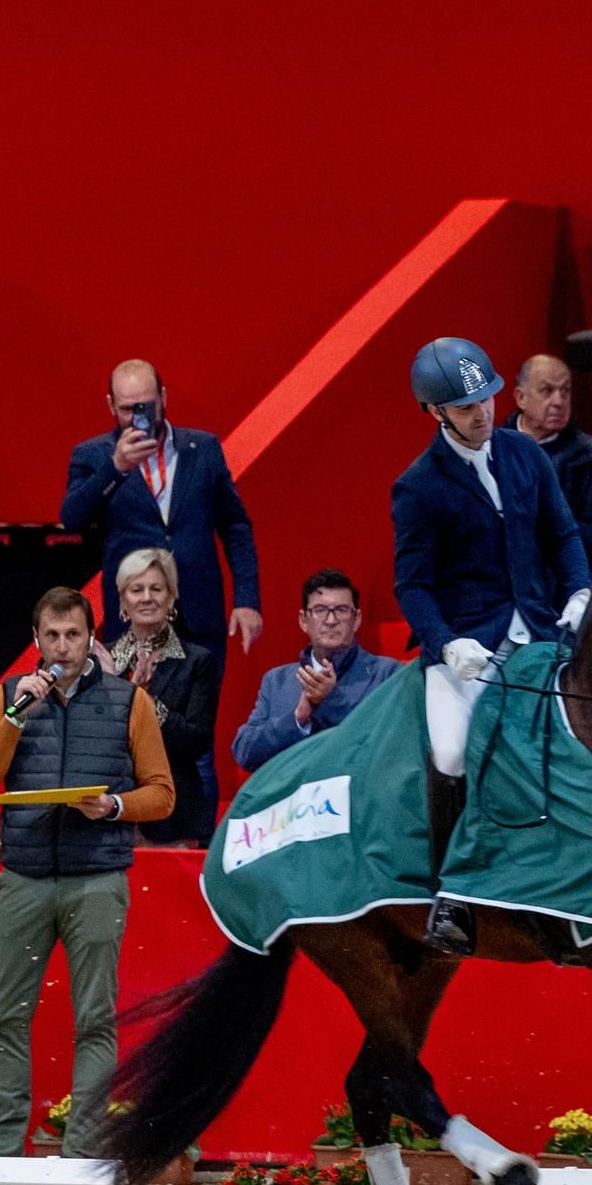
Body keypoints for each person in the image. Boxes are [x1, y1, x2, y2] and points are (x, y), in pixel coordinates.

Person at [392, 336, 590, 955]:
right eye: (466, 406)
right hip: (466, 648)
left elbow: (563, 534)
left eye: (487, 399)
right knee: (451, 753)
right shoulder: (418, 486)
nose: (482, 414)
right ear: (436, 412)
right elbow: (413, 585)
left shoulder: (525, 455)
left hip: (539, 628)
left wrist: (581, 591)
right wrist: (447, 645)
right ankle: (451, 897)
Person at [0, 587, 174, 1158]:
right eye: (52, 636)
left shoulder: (129, 702)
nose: (62, 647)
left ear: (91, 638)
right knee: (2, 1016)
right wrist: (17, 714)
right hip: (23, 876)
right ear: (36, 640)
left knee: (94, 1018)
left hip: (97, 878)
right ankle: (0, 1147)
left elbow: (163, 795)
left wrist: (115, 806)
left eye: (73, 635)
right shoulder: (8, 698)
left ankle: (84, 1151)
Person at [60, 358, 262, 825]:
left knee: (198, 742)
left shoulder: (203, 449)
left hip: (200, 613)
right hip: (132, 619)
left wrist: (247, 598)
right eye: (128, 408)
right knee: (131, 737)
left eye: (146, 406)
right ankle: (136, 847)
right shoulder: (94, 455)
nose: (138, 418)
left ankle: (200, 857)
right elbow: (71, 516)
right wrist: (114, 468)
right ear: (111, 405)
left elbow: (234, 525)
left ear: (164, 398)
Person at [233, 569, 400, 772]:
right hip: (293, 798)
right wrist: (298, 718)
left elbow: (390, 747)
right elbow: (244, 751)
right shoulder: (276, 680)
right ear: (304, 620)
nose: (331, 620)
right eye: (320, 610)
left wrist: (330, 700)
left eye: (341, 610)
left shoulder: (389, 674)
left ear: (356, 619)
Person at [108, 548, 218, 845]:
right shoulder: (100, 661)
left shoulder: (197, 661)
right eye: (136, 589)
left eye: (156, 588)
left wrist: (147, 704)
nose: (146, 597)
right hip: (107, 817)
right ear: (123, 600)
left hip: (173, 816)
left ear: (171, 598)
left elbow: (196, 741)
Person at [502, 354, 592, 579]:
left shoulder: (591, 456)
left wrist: (541, 527)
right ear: (520, 397)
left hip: (566, 581)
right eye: (547, 391)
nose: (559, 401)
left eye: (565, 392)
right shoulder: (492, 450)